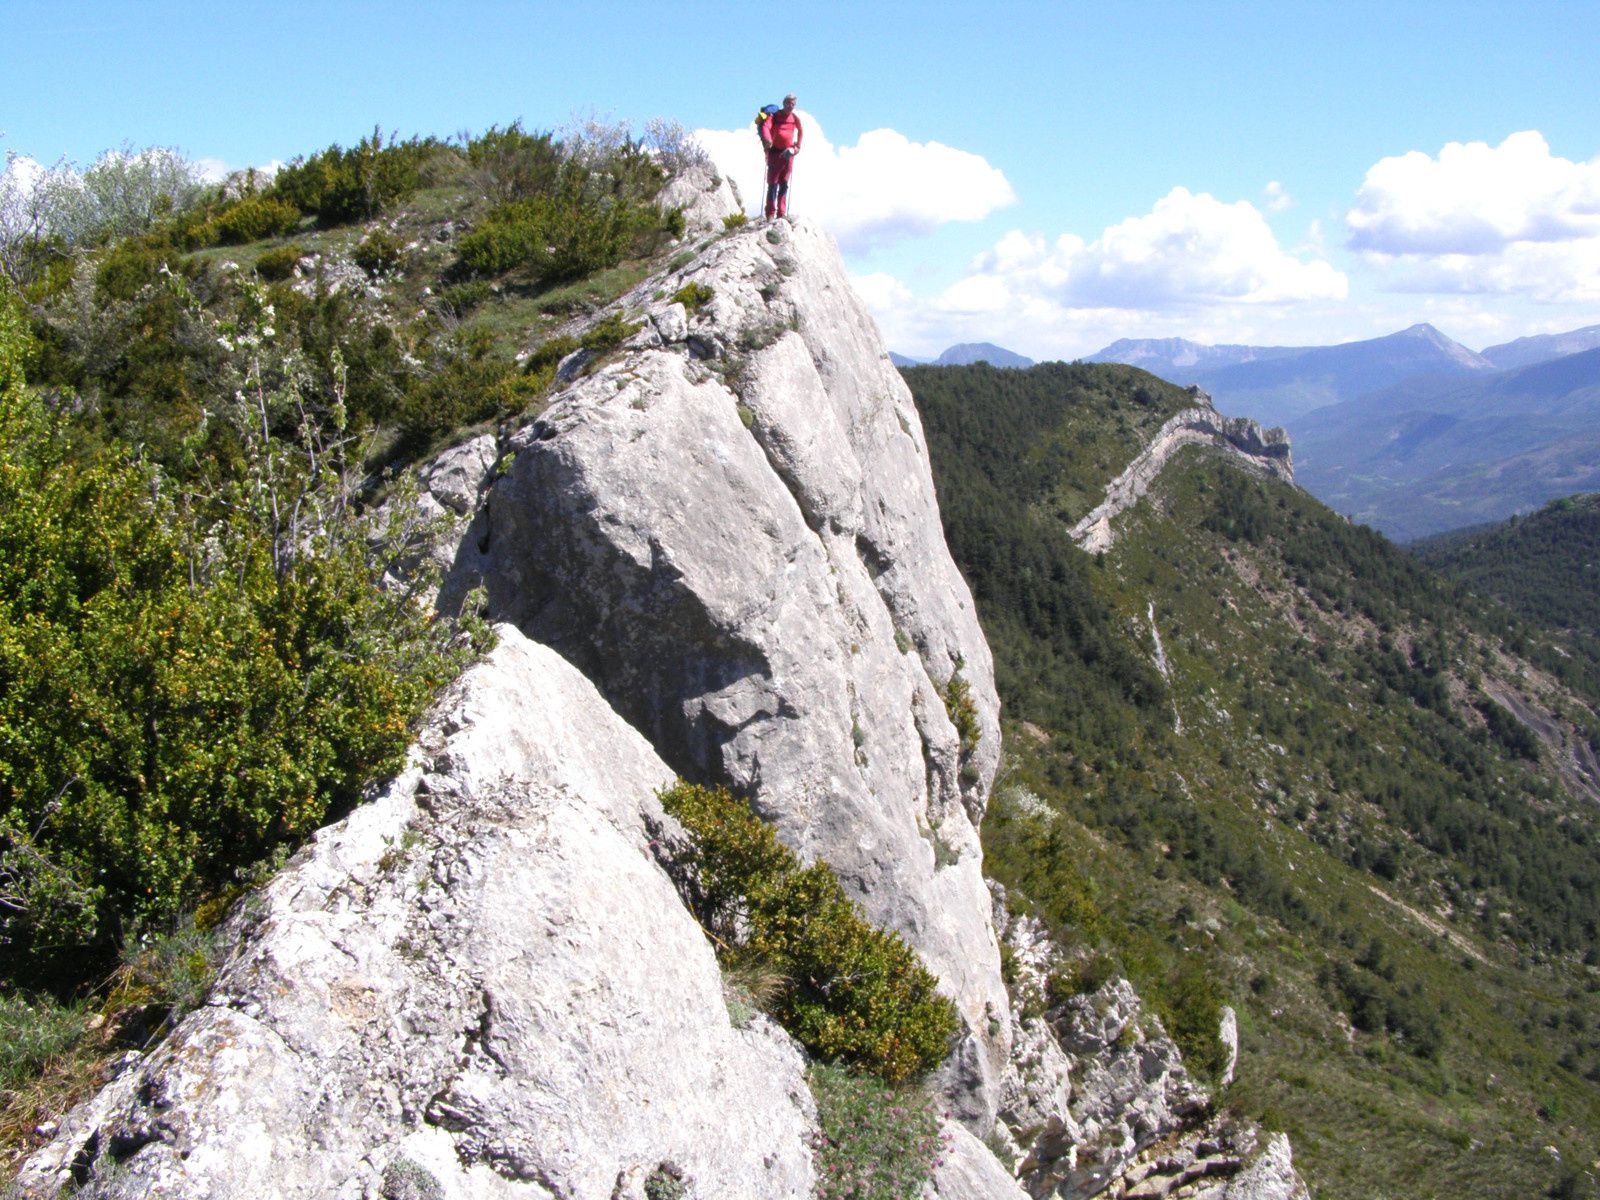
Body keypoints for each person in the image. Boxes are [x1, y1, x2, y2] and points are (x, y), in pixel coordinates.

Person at [760, 94, 803, 220]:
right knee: (773, 184)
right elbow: (766, 126)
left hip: (788, 154)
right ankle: (770, 213)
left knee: (784, 183)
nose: (791, 106)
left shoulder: (795, 118)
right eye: (789, 103)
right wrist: (767, 139)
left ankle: (781, 213)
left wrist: (797, 147)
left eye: (793, 104)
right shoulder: (775, 116)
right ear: (784, 103)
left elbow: (801, 131)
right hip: (774, 153)